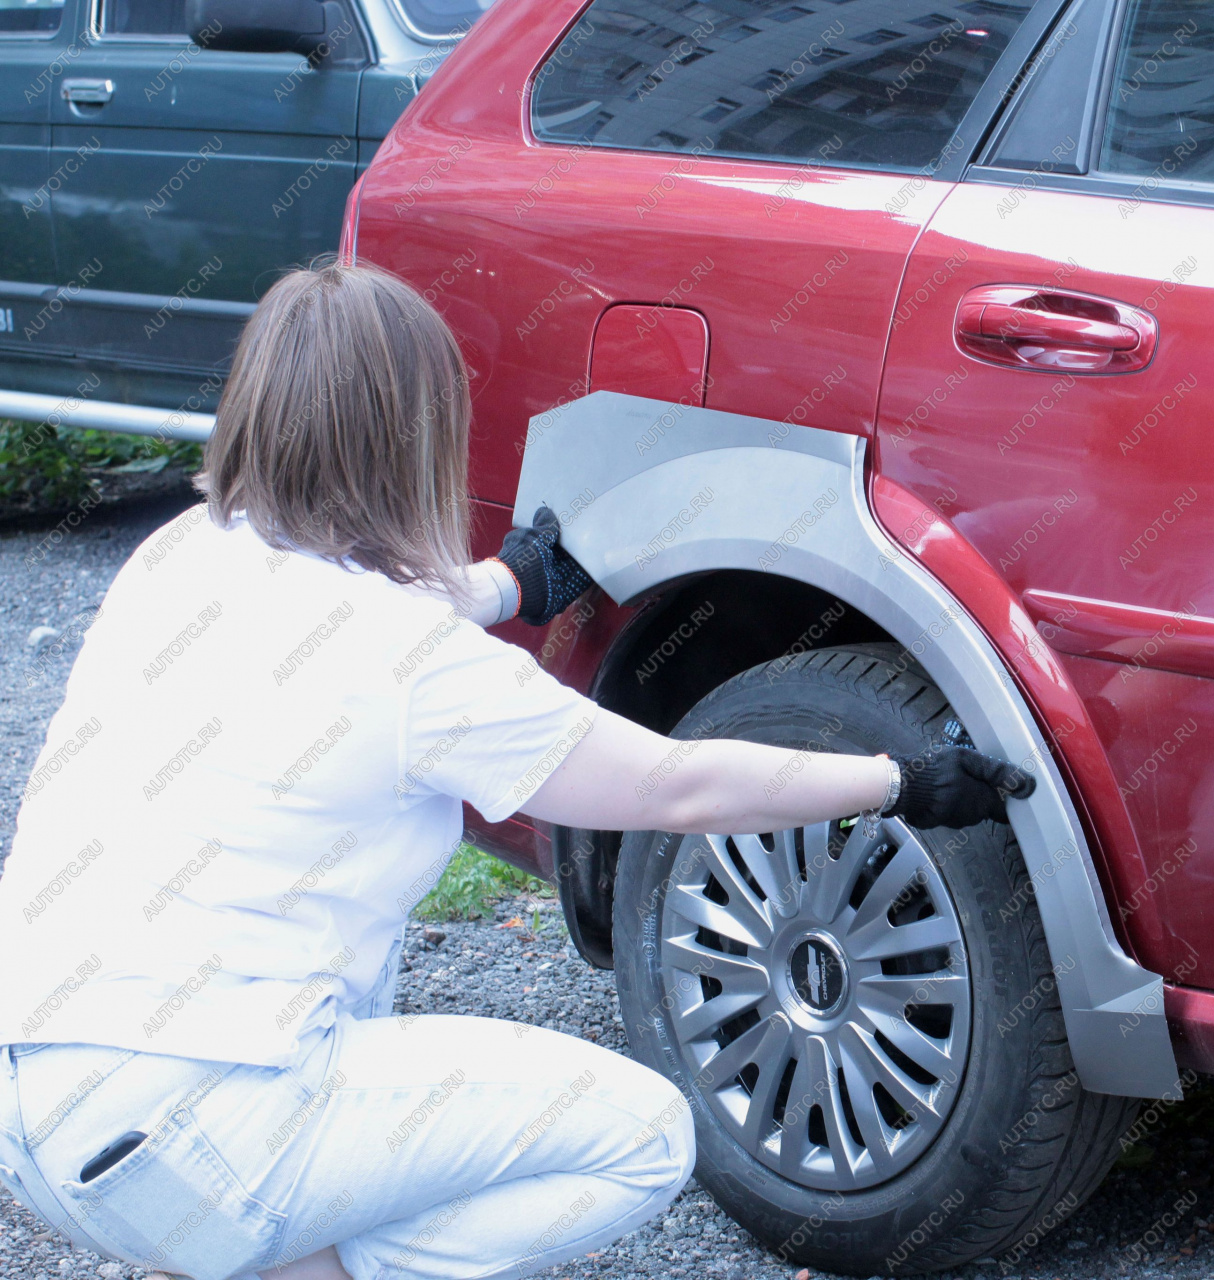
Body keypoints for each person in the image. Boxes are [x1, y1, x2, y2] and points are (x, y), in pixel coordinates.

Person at [0, 262, 1032, 1280]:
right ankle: (301, 1267)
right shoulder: (412, 664)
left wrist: (513, 583)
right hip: (196, 1121)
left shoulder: (183, 553)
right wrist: (899, 779)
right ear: (416, 438)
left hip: (40, 1107)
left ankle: (235, 1244)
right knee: (642, 1138)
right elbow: (675, 786)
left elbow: (354, 621)